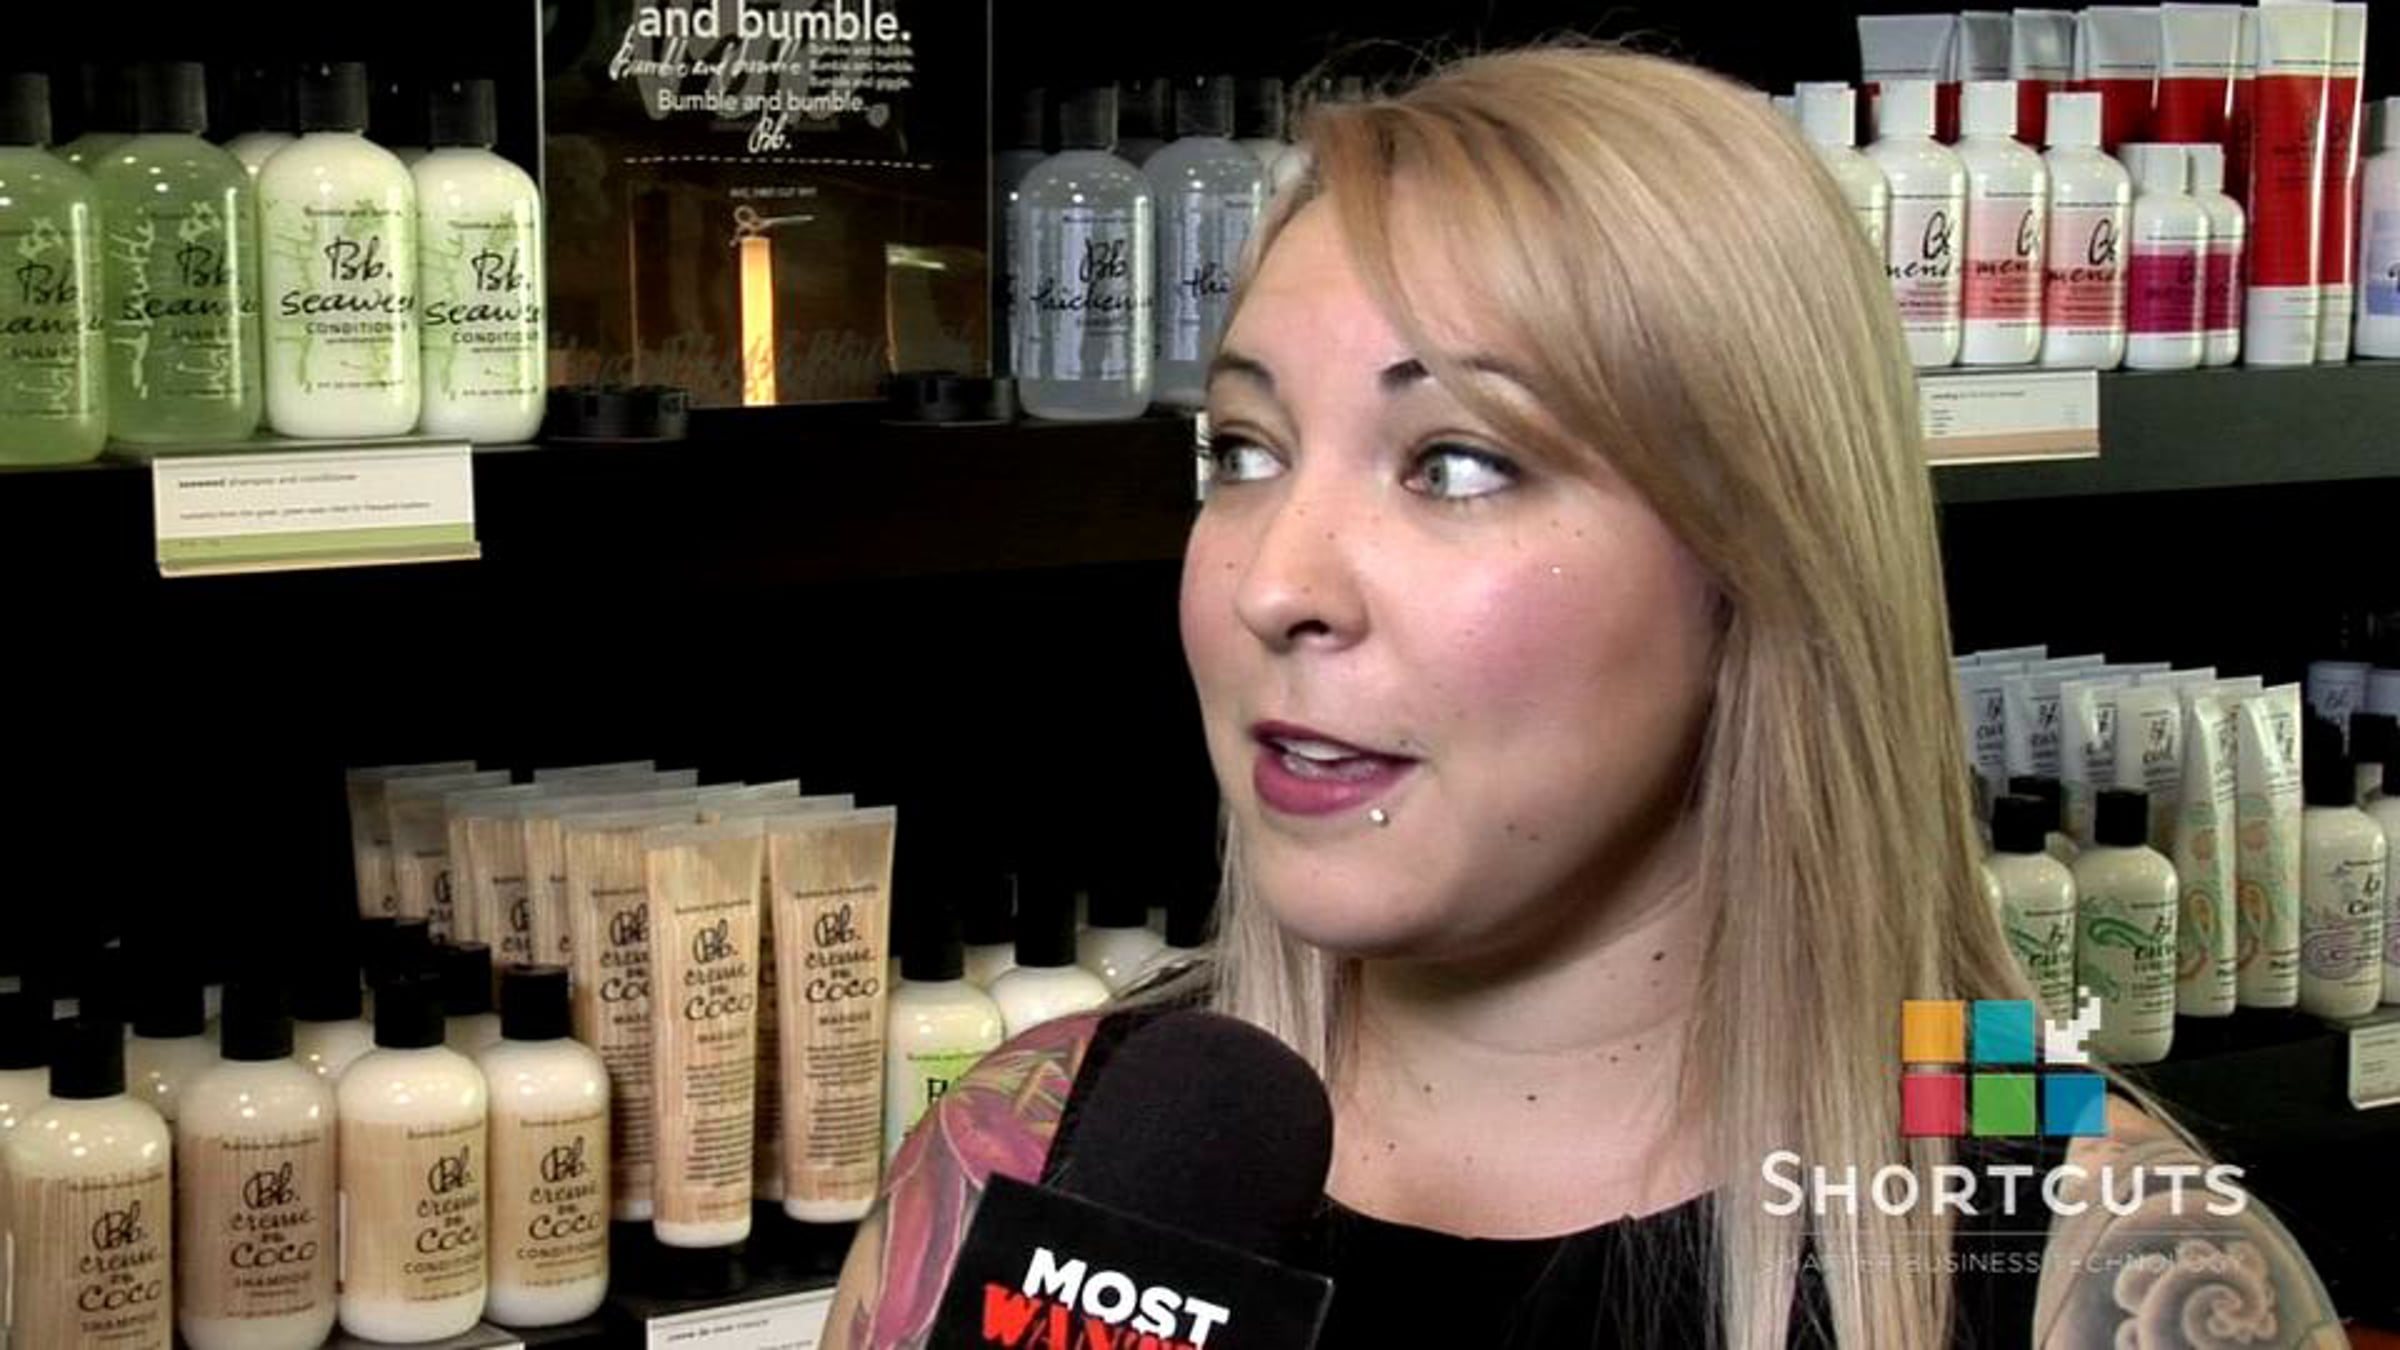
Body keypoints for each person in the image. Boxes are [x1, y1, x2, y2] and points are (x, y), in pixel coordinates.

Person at [827, 46, 2346, 1348]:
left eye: (1454, 464)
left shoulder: (2099, 1247)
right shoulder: (1032, 1144)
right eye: (1243, 450)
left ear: (1764, 562)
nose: (1275, 582)